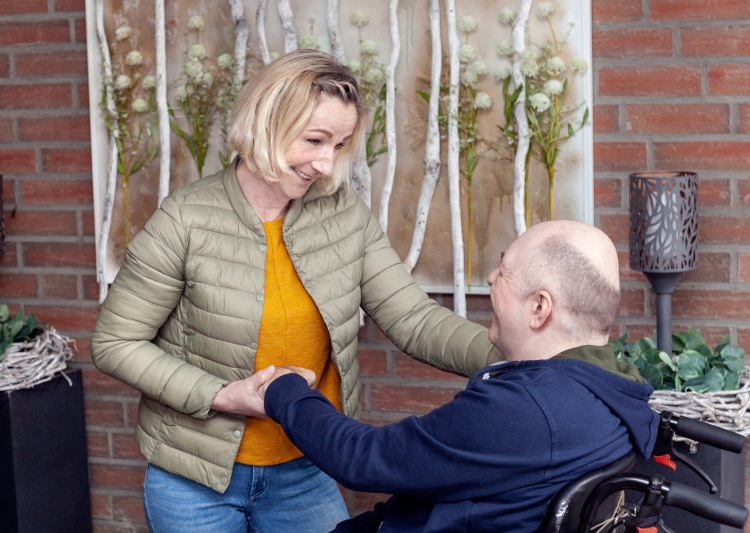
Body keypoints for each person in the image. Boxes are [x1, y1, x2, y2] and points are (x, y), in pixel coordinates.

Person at [91, 49, 500, 533]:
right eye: (315, 140)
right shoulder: (185, 219)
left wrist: (523, 359)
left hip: (307, 466)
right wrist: (222, 395)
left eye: (340, 145)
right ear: (268, 122)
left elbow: (414, 318)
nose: (326, 164)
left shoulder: (342, 214)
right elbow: (115, 343)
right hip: (194, 479)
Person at [259, 220, 660, 533]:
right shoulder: (613, 389)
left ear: (540, 307)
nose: (489, 278)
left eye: (504, 271)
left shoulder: (523, 411)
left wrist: (284, 390)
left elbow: (362, 459)